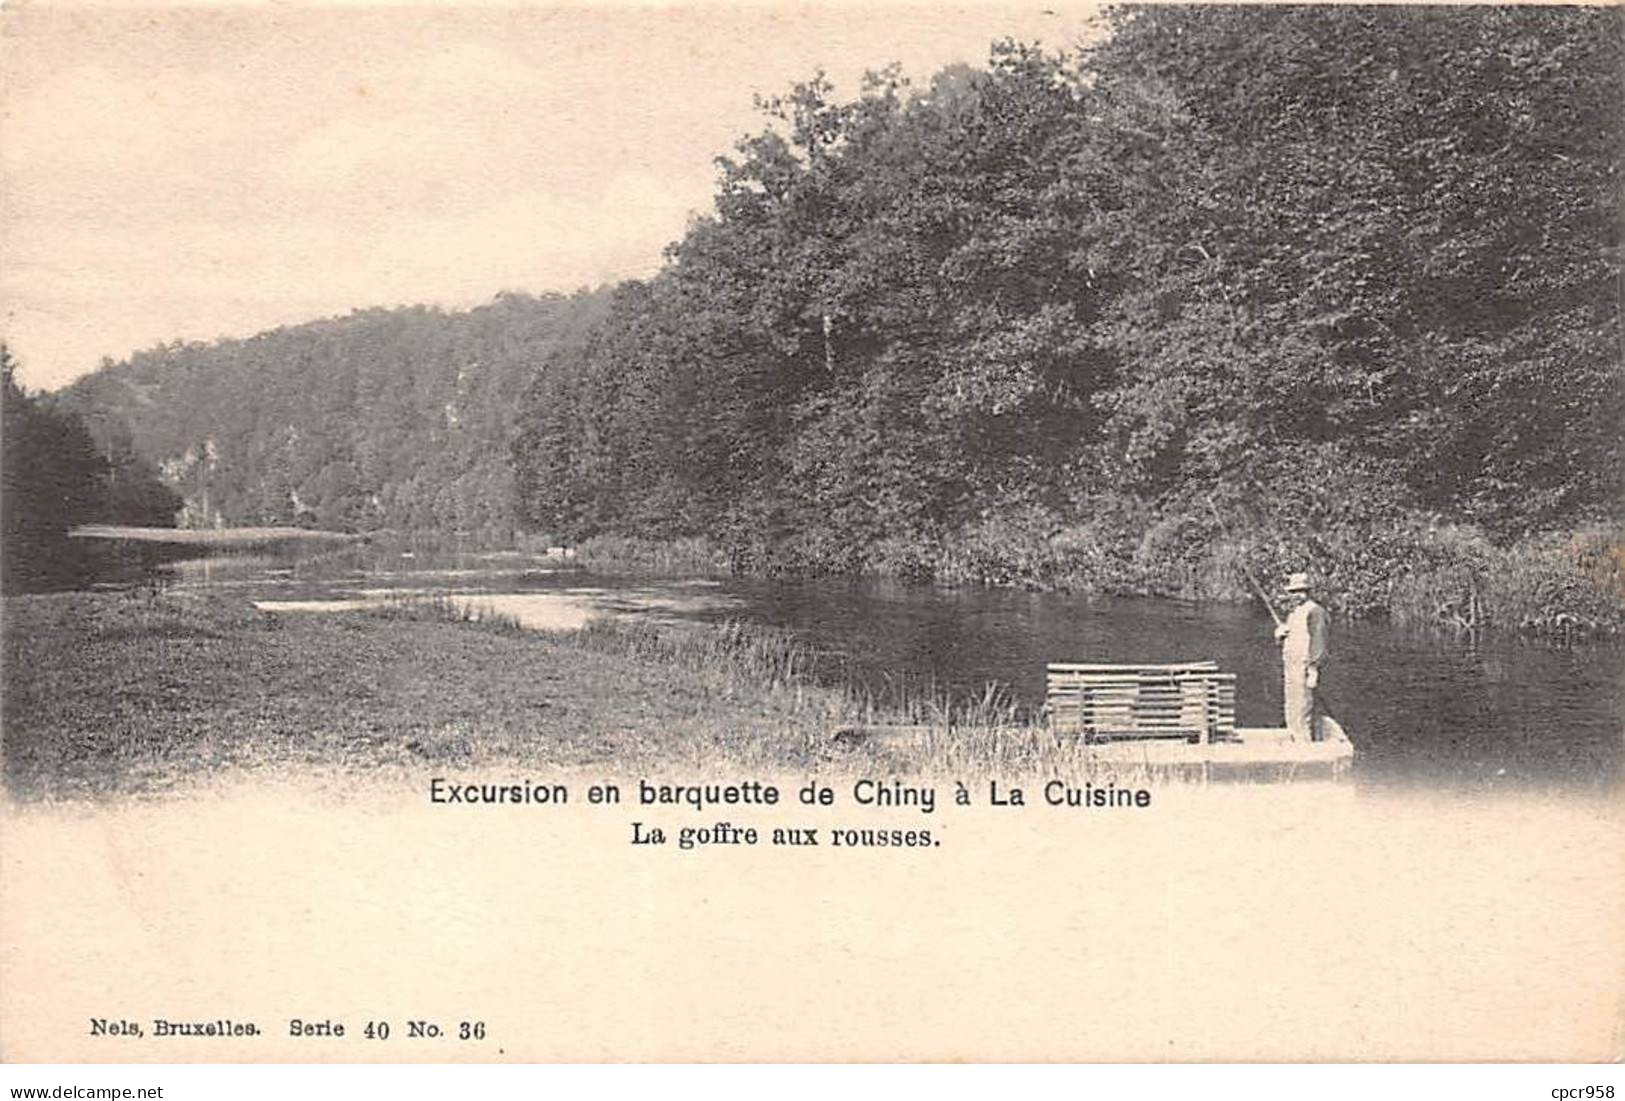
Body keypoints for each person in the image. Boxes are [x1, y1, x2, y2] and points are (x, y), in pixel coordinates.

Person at [1273, 572, 1329, 740]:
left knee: (1303, 706)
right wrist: (1279, 635)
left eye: (1300, 591)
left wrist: (1313, 669)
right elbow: (1288, 639)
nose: (1296, 595)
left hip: (1304, 667)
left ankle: (1304, 743)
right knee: (1291, 704)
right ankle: (1293, 736)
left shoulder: (1316, 611)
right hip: (1290, 665)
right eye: (1293, 592)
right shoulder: (1294, 612)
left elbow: (1318, 641)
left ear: (1308, 591)